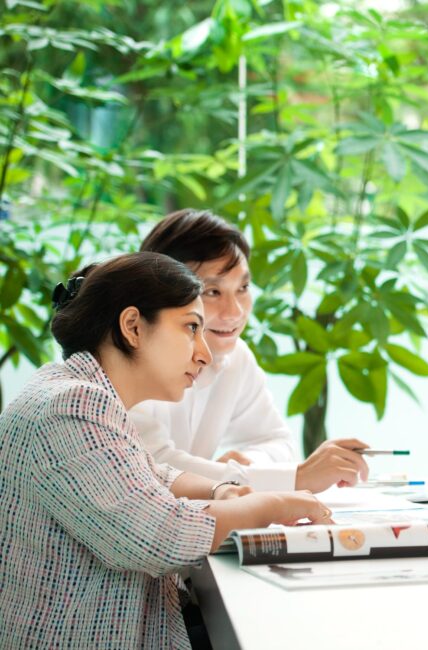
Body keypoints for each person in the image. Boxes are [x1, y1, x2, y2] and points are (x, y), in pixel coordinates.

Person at [0, 252, 331, 648]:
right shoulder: (73, 406)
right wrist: (275, 506)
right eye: (191, 328)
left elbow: (153, 475)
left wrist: (217, 490)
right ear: (133, 327)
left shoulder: (75, 390)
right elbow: (158, 536)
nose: (204, 354)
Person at [131, 209, 369, 492]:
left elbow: (276, 441)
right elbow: (152, 466)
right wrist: (293, 478)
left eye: (243, 287)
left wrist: (245, 468)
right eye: (212, 292)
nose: (235, 312)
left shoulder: (235, 357)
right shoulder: (132, 358)